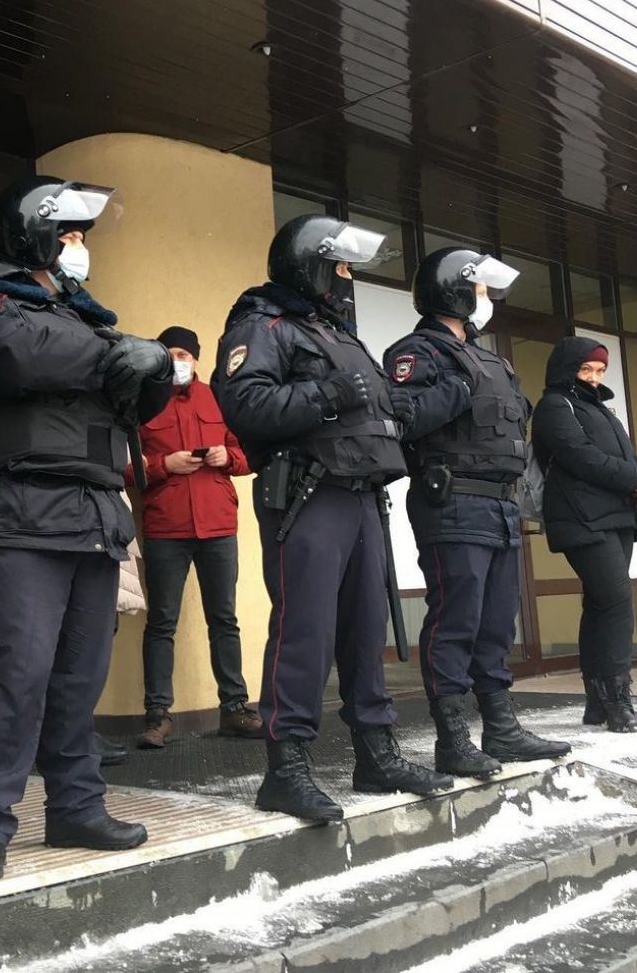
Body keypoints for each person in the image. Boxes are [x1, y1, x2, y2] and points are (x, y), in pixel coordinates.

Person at [0, 175, 173, 883]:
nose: (80, 250)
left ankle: (75, 807)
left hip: (96, 514)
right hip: (23, 511)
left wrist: (153, 366)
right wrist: (122, 353)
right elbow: (18, 355)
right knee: (17, 675)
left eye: (83, 238)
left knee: (81, 678)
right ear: (34, 235)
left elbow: (140, 399)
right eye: (70, 235)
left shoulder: (86, 322)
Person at [213, 215, 452, 824]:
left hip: (362, 494)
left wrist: (426, 402)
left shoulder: (335, 332)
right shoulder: (262, 324)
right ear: (310, 263)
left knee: (366, 631)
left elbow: (376, 404)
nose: (346, 278)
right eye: (340, 265)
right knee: (306, 632)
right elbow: (243, 403)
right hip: (308, 494)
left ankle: (376, 753)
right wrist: (326, 395)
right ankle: (286, 768)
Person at [385, 248, 569, 778]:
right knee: (455, 622)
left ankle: (501, 728)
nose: (486, 300)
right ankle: (453, 739)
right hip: (453, 500)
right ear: (457, 291)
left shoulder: (492, 358)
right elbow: (405, 418)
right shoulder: (418, 352)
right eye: (482, 290)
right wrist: (455, 389)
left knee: (494, 625)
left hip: (500, 504)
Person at [127, 324, 261, 749]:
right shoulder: (143, 401)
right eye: (171, 354)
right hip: (166, 527)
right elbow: (126, 469)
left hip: (218, 525)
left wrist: (228, 457)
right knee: (161, 623)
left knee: (224, 620)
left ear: (197, 360)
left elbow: (249, 454)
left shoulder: (218, 396)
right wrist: (166, 463)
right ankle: (158, 716)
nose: (178, 362)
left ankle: (235, 708)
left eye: (185, 354)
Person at [531, 337, 637, 732]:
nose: (593, 378)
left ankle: (600, 703)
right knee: (617, 603)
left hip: (613, 517)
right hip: (580, 518)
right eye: (585, 369)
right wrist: (635, 481)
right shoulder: (555, 406)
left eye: (600, 371)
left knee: (601, 605)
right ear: (566, 368)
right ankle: (617, 700)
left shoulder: (601, 411)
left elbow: (627, 457)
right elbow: (580, 456)